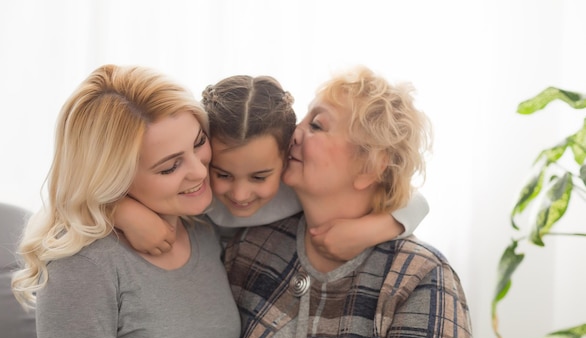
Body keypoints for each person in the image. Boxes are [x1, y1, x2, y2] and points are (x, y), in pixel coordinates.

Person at [217, 66, 473, 338]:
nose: (293, 132)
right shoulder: (254, 242)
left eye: (317, 125)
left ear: (370, 166)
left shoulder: (423, 278)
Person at [11, 64, 241, 338]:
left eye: (198, 143)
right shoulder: (84, 267)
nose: (199, 170)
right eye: (169, 167)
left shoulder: (202, 222)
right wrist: (117, 210)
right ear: (115, 177)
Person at [115, 75, 430, 259]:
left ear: (282, 158)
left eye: (259, 176)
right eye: (222, 173)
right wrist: (125, 214)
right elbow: (83, 196)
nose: (240, 193)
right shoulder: (194, 184)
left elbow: (416, 201)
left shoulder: (292, 187)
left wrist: (369, 230)